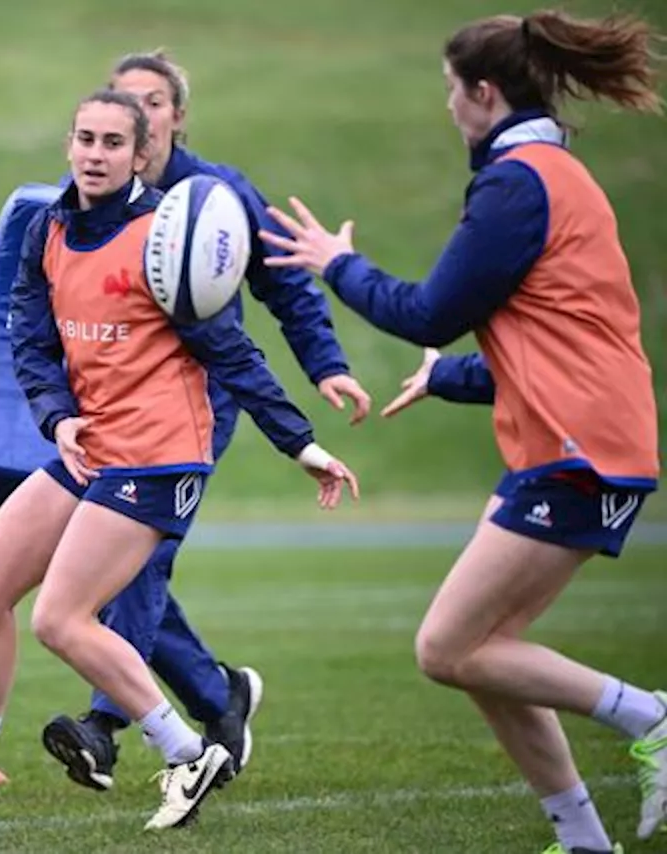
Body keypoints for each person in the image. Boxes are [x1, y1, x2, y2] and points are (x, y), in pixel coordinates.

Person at [0, 89, 358, 832]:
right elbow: (32, 344)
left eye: (112, 143)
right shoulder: (48, 227)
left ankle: (188, 751)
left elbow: (231, 351)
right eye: (84, 139)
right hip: (91, 444)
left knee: (62, 618)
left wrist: (300, 443)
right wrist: (57, 416)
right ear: (68, 144)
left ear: (141, 156)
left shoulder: (164, 239)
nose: (94, 154)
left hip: (161, 456)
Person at [258, 10, 665, 852]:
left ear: (484, 93)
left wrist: (337, 265)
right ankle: (584, 841)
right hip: (578, 437)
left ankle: (653, 719)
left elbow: (430, 310)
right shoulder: (552, 174)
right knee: (483, 648)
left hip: (578, 450)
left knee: (448, 647)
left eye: (451, 90)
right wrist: (450, 376)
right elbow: (566, 342)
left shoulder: (521, 181)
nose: (446, 107)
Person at [39, 47, 373, 793]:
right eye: (124, 103)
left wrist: (324, 366)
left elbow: (284, 282)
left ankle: (105, 725)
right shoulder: (83, 201)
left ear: (176, 118)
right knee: (107, 561)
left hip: (193, 406)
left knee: (138, 558)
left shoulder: (214, 196)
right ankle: (219, 695)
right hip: (101, 412)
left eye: (153, 103)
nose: (138, 116)